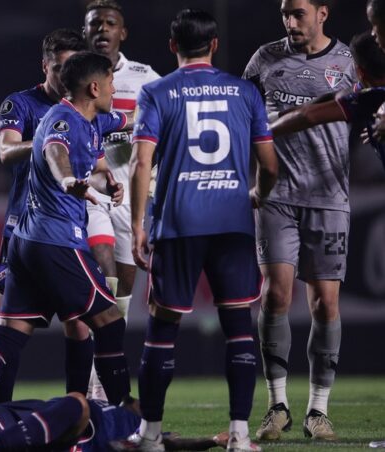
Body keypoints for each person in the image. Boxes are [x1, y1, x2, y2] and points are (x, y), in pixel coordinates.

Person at [129, 9, 278, 451]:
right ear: (214, 45)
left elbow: (141, 164)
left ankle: (150, 436)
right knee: (239, 330)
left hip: (178, 223)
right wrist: (255, 193)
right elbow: (270, 165)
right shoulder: (244, 91)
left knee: (162, 330)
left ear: (173, 45)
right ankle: (239, 435)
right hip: (231, 224)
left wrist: (138, 224)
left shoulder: (156, 92)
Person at [0, 51, 129, 423]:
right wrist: (67, 179)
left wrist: (108, 180)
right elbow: (54, 151)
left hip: (27, 241)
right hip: (57, 239)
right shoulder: (62, 118)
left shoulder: (94, 117)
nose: (116, 89)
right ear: (94, 87)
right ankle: (120, 422)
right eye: (112, 83)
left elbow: (123, 124)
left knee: (10, 334)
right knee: (110, 321)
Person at [242, 0, 357, 441]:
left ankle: (318, 411)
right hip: (276, 197)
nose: (291, 22)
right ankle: (277, 406)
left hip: (329, 199)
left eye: (299, 13)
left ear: (322, 13)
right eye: (285, 13)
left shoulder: (347, 62)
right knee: (275, 296)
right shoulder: (264, 60)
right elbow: (242, 118)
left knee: (325, 304)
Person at [82, 0, 162, 402]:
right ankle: (93, 380)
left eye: (110, 23)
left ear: (122, 32)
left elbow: (168, 121)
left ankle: (102, 377)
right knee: (103, 277)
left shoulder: (145, 78)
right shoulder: (74, 75)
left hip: (133, 194)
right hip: (91, 191)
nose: (102, 30)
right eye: (95, 24)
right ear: (85, 32)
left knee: (123, 288)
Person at [0, 395, 227, 452]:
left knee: (76, 405)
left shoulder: (138, 427)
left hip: (68, 438)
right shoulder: (119, 404)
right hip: (34, 421)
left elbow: (171, 442)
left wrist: (212, 439)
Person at [270, 32, 385, 170]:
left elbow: (308, 116)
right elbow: (337, 96)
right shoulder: (365, 92)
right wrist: (277, 116)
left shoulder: (371, 97)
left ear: (359, 71)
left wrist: (262, 132)